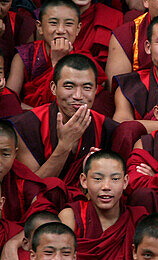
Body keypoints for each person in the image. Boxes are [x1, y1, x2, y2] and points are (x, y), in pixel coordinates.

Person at [11, 53, 119, 187]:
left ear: (96, 90)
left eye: (87, 88)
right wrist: (64, 144)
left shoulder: (106, 128)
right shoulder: (26, 126)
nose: (78, 96)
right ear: (53, 88)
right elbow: (32, 188)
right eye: (69, 86)